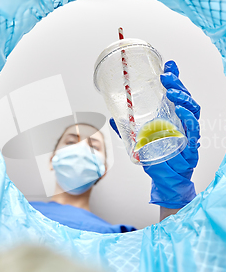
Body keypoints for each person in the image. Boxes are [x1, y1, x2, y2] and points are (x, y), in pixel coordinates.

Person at [30, 60, 200, 233]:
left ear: (103, 169)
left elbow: (172, 252)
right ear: (52, 160)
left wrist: (173, 191)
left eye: (93, 146)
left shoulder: (119, 236)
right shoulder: (18, 209)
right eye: (71, 141)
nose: (81, 149)